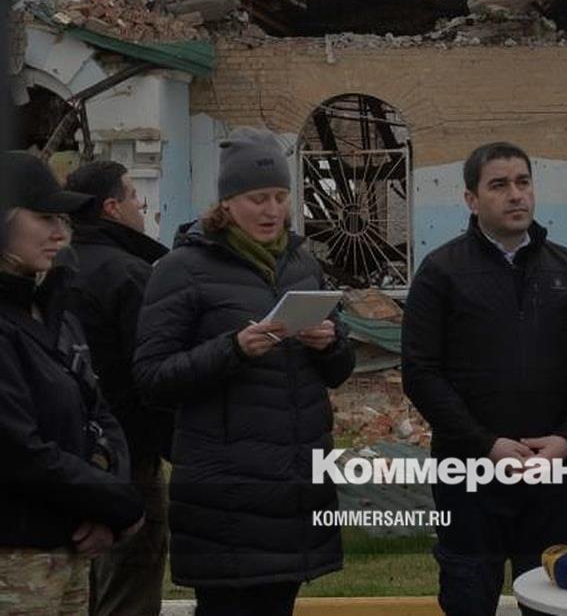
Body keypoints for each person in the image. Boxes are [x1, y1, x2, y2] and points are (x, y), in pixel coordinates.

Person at [133, 128, 355, 616]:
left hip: (294, 490)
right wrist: (232, 349)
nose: (272, 210)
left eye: (280, 196)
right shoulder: (181, 269)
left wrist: (330, 343)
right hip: (225, 499)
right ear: (227, 203)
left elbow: (339, 371)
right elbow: (151, 377)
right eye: (258, 199)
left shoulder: (302, 264)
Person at [401, 141, 567, 616]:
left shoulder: (566, 269)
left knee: (553, 600)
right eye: (498, 185)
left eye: (523, 182)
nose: (515, 195)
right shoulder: (441, 272)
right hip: (468, 473)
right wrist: (486, 444)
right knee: (468, 592)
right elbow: (420, 372)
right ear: (471, 199)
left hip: (550, 472)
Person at [0, 151, 145, 614]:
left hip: (69, 550)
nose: (60, 233)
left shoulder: (53, 312)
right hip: (14, 559)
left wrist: (107, 508)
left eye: (61, 220)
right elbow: (19, 449)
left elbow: (98, 415)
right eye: (44, 218)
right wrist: (116, 504)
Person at [62, 161, 171, 616]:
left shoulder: (56, 267)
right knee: (130, 585)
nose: (141, 207)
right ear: (112, 207)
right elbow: (150, 371)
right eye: (134, 197)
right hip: (129, 455)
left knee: (78, 588)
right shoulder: (129, 273)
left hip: (67, 456)